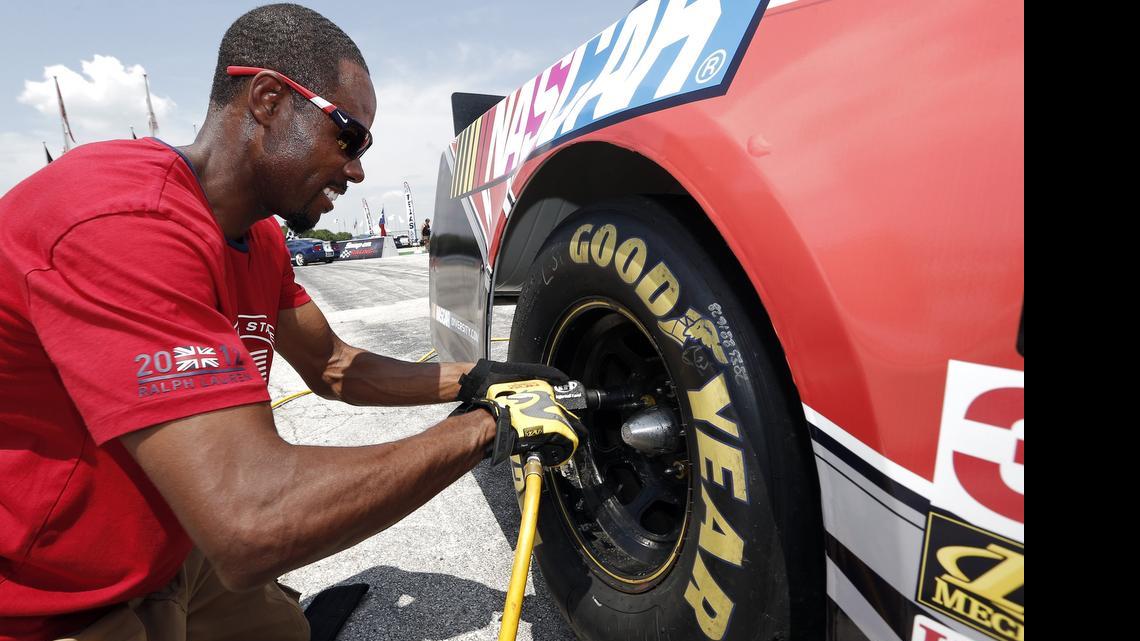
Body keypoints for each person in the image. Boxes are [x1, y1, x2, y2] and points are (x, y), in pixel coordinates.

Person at [0, 5, 565, 640]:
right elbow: (250, 520)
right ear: (268, 98)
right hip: (56, 596)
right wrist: (484, 429)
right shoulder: (118, 222)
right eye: (349, 137)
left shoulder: (259, 237)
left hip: (178, 540)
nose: (356, 170)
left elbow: (334, 366)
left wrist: (476, 380)